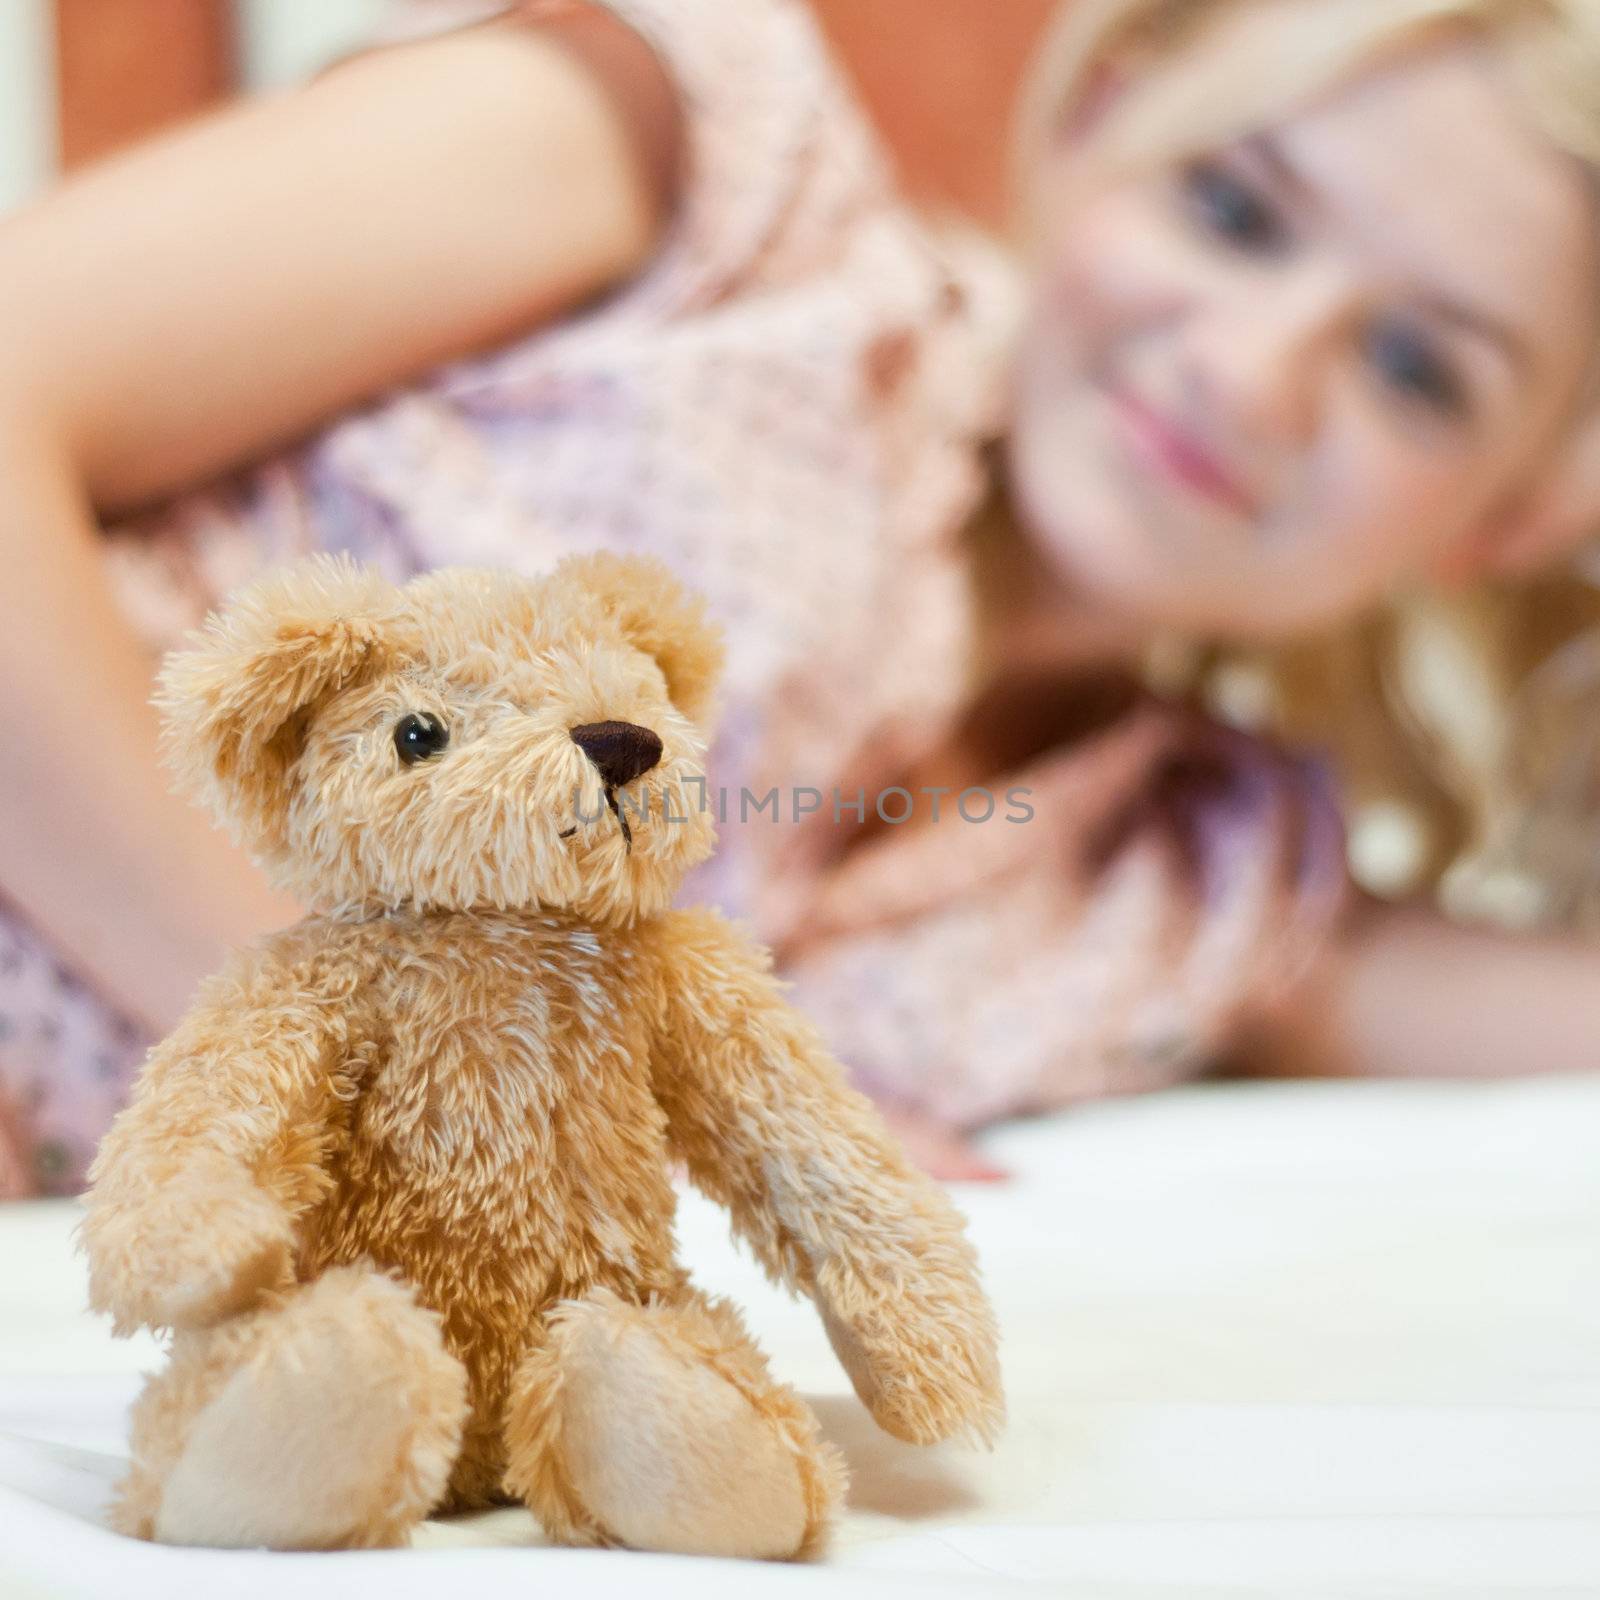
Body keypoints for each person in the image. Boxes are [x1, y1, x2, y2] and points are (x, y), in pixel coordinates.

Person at [1, 0, 1597, 1196]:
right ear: (1103, 118)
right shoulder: (707, 175)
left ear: (1521, 511)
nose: (1251, 375)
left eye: (1416, 371)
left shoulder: (1197, 895)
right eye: (1233, 209)